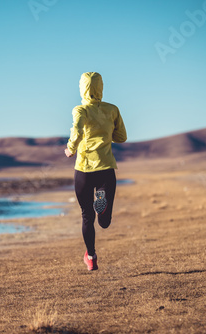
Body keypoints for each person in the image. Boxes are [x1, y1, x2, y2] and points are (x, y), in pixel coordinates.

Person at [64, 72, 127, 271]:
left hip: (83, 170)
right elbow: (122, 137)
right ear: (101, 87)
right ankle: (102, 204)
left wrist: (70, 148)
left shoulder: (80, 110)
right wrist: (105, 135)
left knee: (86, 216)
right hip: (106, 169)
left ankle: (91, 256)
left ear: (82, 88)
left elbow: (77, 130)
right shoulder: (112, 110)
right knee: (104, 221)